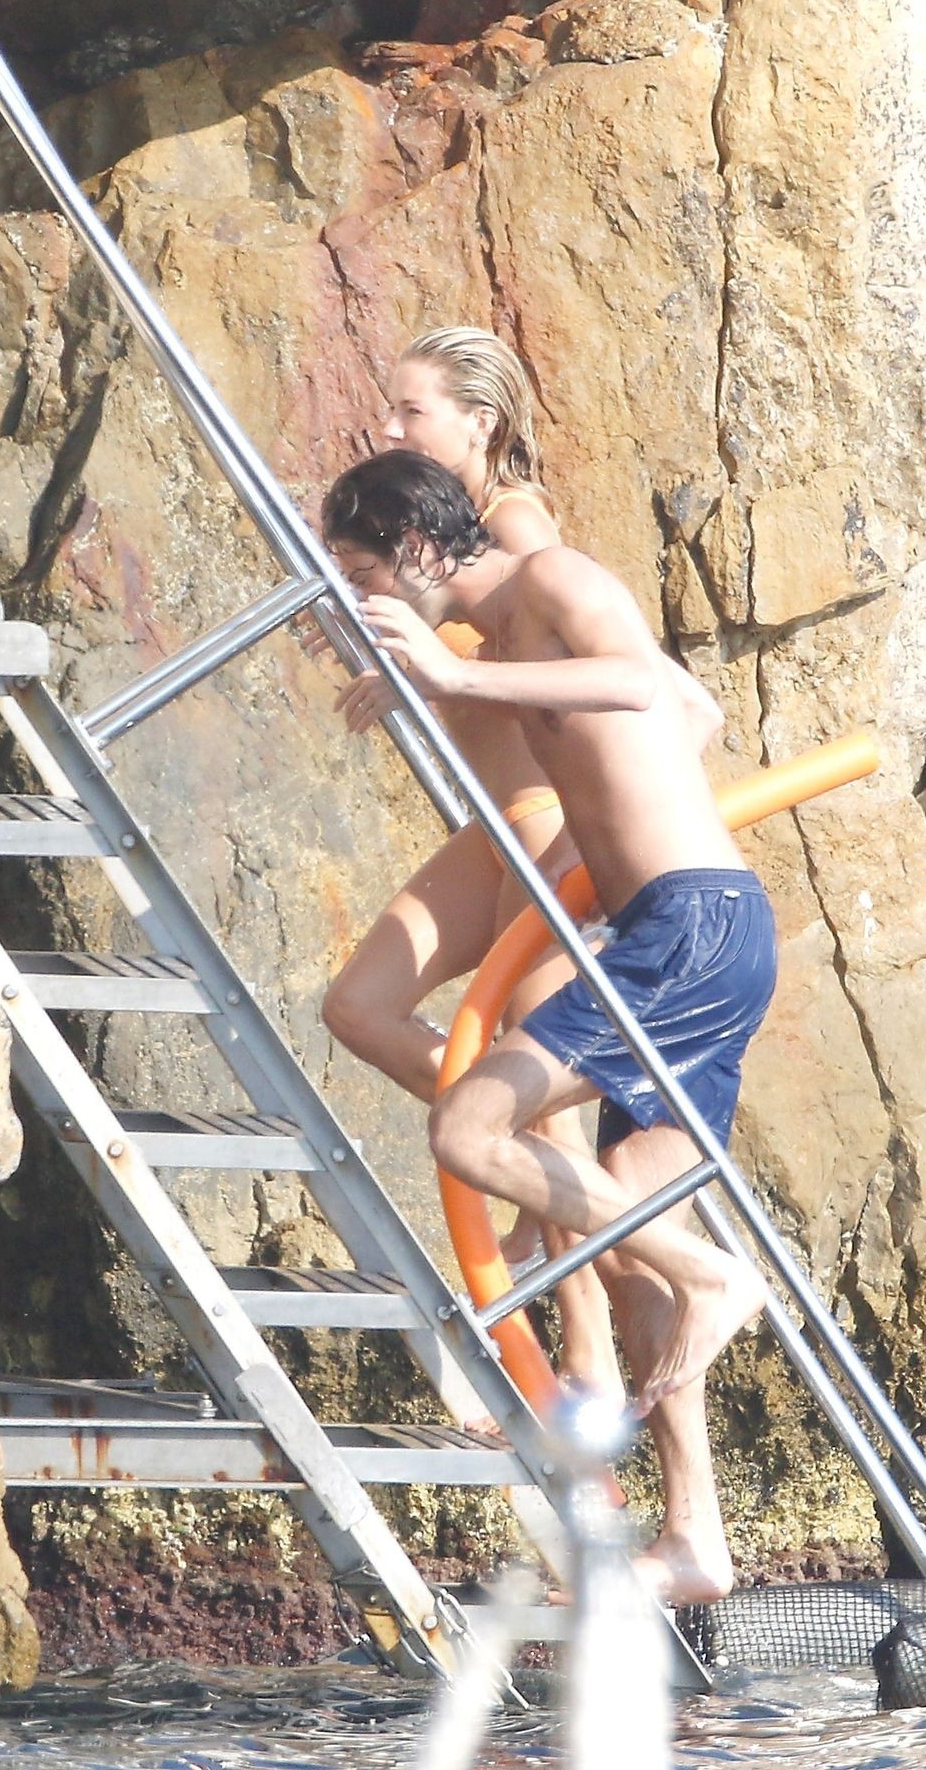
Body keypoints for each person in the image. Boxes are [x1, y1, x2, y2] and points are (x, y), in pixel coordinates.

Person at [320, 449, 777, 1607]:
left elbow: (652, 690)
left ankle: (715, 1277)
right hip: (670, 935)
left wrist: (450, 676)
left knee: (469, 1130)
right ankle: (695, 1542)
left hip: (690, 928)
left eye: (362, 575)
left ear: (414, 548)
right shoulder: (491, 644)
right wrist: (432, 682)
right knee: (625, 1248)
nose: (360, 600)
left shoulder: (553, 577)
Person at [320, 326, 621, 1403]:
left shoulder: (515, 522)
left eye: (412, 411)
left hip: (545, 821)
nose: (391, 427)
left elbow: (552, 659)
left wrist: (419, 662)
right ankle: (546, 1188)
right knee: (360, 1007)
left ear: (477, 422)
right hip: (494, 827)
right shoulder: (425, 537)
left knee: (536, 1093)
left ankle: (587, 1341)